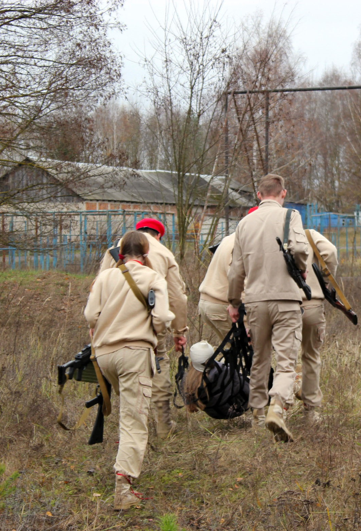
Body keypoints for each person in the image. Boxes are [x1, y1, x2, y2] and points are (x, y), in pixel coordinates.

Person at [84, 231, 175, 510]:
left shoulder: (105, 277)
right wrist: (156, 330)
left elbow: (90, 315)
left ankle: (124, 465)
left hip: (105, 356)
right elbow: (161, 317)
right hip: (135, 355)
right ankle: (123, 488)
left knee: (128, 411)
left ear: (120, 252)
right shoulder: (152, 277)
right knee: (135, 419)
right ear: (146, 253)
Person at [226, 174, 310, 442]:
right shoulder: (291, 216)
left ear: (259, 195)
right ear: (283, 193)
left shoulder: (243, 223)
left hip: (254, 301)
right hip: (286, 298)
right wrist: (301, 269)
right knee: (286, 363)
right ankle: (277, 406)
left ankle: (258, 416)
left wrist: (233, 302)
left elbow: (236, 268)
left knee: (259, 359)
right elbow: (299, 248)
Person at [98, 218, 188, 438]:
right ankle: (164, 426)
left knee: (123, 374)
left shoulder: (114, 250)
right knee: (158, 367)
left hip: (113, 327)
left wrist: (97, 325)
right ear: (158, 235)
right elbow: (177, 297)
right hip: (151, 326)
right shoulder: (164, 253)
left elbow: (98, 287)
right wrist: (179, 331)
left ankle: (132, 425)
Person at [197, 206, 257, 346]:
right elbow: (239, 279)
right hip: (223, 305)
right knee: (246, 353)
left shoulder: (231, 237)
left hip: (209, 302)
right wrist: (247, 320)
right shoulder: (247, 241)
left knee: (232, 351)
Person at [298, 228, 339, 424]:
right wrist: (323, 280)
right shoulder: (308, 234)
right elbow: (330, 252)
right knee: (311, 356)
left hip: (280, 304)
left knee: (281, 357)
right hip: (312, 303)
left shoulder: (267, 231)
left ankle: (276, 408)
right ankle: (311, 412)